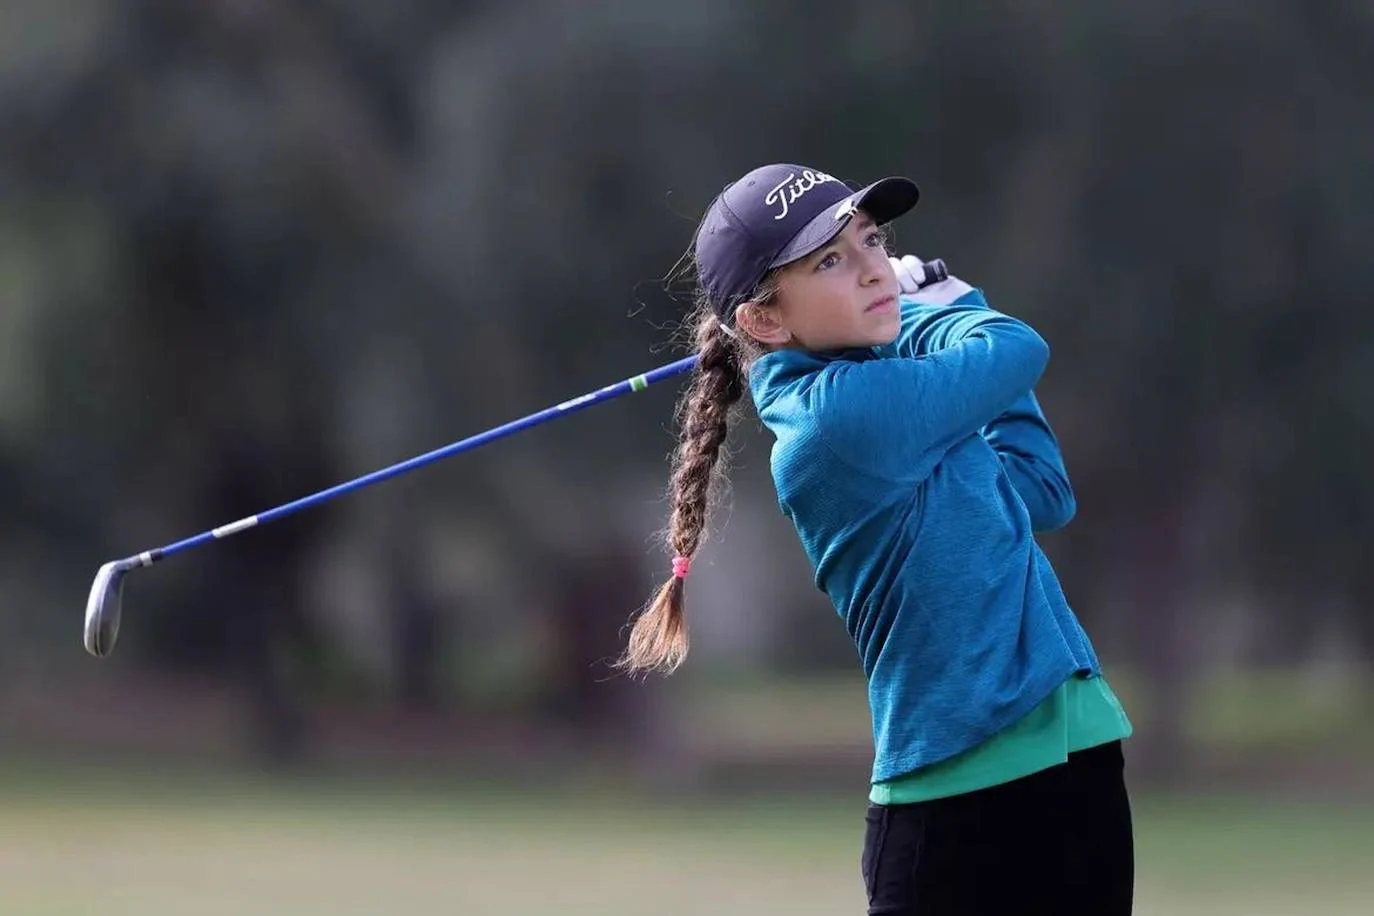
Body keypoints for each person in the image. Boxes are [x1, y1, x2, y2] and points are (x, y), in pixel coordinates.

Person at [617, 163, 1136, 915]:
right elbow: (1015, 349)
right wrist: (941, 306)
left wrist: (926, 311)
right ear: (764, 320)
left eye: (871, 241)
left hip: (1077, 755)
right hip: (958, 802)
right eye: (830, 260)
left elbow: (1039, 489)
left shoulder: (891, 387)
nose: (870, 270)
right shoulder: (834, 424)